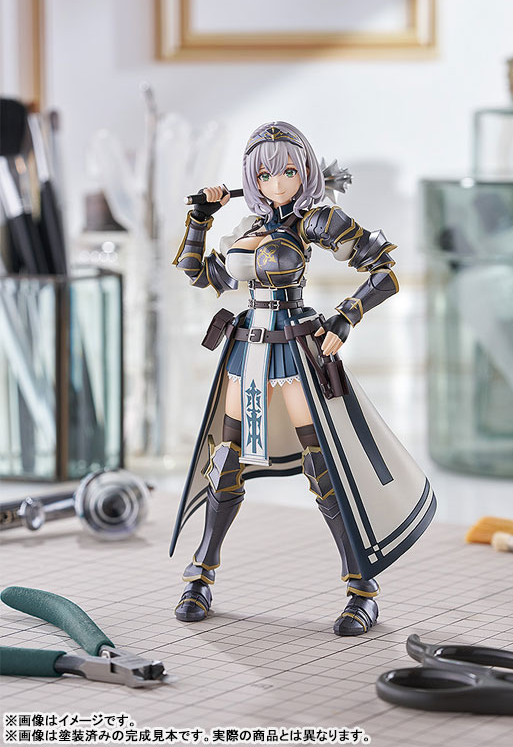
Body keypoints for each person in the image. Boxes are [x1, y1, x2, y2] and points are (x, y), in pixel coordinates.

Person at [170, 121, 435, 635]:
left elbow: (384, 271)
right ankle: (200, 575)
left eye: (288, 171)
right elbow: (200, 274)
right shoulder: (246, 226)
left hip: (293, 347)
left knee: (324, 463)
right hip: (247, 348)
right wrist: (200, 218)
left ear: (305, 171)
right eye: (264, 174)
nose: (277, 183)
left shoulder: (315, 220)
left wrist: (345, 317)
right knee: (226, 460)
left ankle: (361, 588)